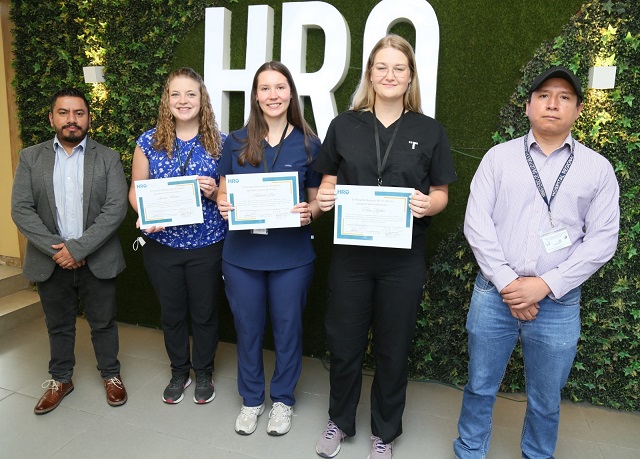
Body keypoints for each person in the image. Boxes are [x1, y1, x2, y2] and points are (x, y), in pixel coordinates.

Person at [454, 66, 620, 458]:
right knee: (480, 385)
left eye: (564, 97)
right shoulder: (498, 158)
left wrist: (544, 285)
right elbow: (477, 223)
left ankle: (537, 454)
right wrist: (509, 284)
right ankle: (470, 451)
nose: (552, 104)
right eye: (544, 95)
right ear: (528, 106)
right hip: (494, 295)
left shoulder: (597, 169)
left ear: (578, 110)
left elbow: (602, 240)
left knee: (546, 398)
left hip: (558, 303)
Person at [314, 35, 456, 459]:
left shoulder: (429, 130)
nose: (390, 75)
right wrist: (326, 196)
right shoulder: (344, 125)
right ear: (370, 75)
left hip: (403, 260)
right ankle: (339, 421)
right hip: (352, 258)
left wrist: (429, 203)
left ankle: (385, 433)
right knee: (344, 346)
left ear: (410, 76)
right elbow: (327, 180)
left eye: (399, 68)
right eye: (382, 67)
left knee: (393, 349)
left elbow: (441, 193)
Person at [216, 61, 322, 436]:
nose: (273, 95)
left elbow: (317, 201)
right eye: (265, 88)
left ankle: (282, 401)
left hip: (292, 257)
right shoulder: (235, 140)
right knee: (247, 329)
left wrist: (310, 211)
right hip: (242, 256)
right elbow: (223, 191)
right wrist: (223, 204)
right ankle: (251, 400)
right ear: (256, 96)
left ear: (290, 93)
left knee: (288, 329)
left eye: (280, 87)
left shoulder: (309, 143)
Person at [11, 87, 129, 414]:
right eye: (63, 113)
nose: (71, 119)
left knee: (103, 323)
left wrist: (78, 248)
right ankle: (61, 379)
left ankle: (111, 374)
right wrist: (58, 250)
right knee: (58, 324)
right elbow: (21, 209)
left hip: (97, 259)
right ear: (52, 118)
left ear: (89, 118)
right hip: (51, 260)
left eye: (79, 113)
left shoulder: (108, 158)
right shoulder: (30, 158)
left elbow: (116, 208)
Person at [129, 67, 226, 405]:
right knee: (171, 313)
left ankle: (204, 371)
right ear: (166, 100)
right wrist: (145, 214)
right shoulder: (148, 142)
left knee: (205, 312)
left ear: (202, 100)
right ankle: (179, 371)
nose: (183, 101)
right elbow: (135, 190)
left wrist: (214, 192)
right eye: (175, 94)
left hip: (208, 244)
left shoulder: (220, 142)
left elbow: (230, 196)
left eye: (190, 94)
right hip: (162, 246)